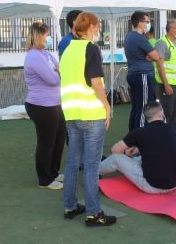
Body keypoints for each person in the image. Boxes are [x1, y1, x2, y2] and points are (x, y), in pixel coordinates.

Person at [60, 12, 116, 227]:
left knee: (73, 161)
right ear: (92, 26)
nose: (98, 29)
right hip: (92, 114)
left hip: (71, 113)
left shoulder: (67, 49)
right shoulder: (90, 49)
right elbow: (96, 83)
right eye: (98, 25)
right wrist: (107, 105)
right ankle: (94, 213)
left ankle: (70, 206)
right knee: (92, 165)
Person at [100, 101, 176, 193]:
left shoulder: (139, 132)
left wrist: (125, 152)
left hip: (153, 186)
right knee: (141, 157)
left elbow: (115, 150)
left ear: (146, 117)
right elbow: (159, 144)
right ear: (161, 113)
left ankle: (96, 170)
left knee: (115, 158)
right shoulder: (171, 128)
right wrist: (138, 149)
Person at [24, 22, 66, 190]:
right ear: (38, 36)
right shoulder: (33, 56)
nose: (48, 38)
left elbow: (61, 69)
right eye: (46, 35)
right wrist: (57, 72)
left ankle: (53, 172)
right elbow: (53, 79)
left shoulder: (45, 54)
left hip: (54, 103)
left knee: (59, 139)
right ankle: (45, 179)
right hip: (40, 105)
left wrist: (58, 71)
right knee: (46, 142)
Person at [124, 11, 163, 130]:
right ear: (140, 23)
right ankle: (139, 139)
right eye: (147, 21)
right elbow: (156, 56)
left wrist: (149, 56)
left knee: (136, 107)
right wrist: (151, 56)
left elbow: (152, 55)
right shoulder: (139, 37)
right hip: (142, 75)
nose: (149, 24)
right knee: (144, 107)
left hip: (133, 74)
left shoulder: (129, 36)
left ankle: (132, 136)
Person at [154, 20, 176, 145]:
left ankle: (173, 136)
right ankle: (164, 138)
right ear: (170, 29)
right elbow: (160, 65)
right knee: (167, 112)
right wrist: (166, 84)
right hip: (167, 84)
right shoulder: (162, 43)